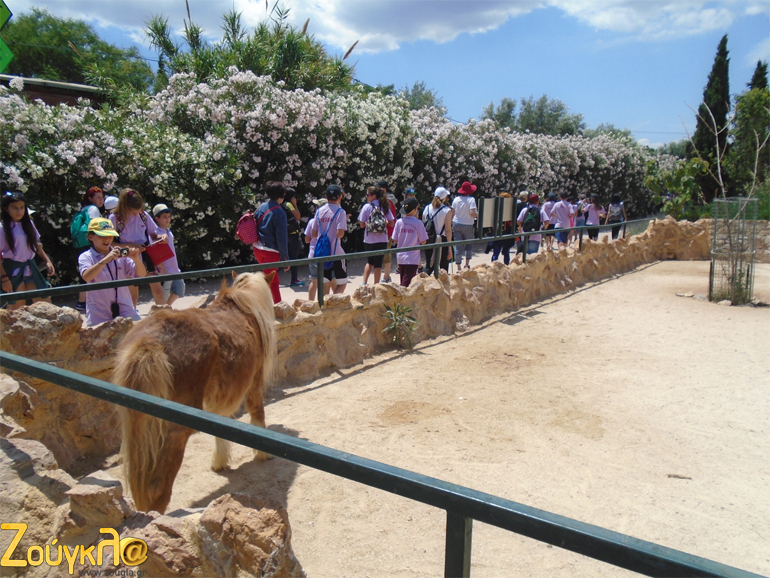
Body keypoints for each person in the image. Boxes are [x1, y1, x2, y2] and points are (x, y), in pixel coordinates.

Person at [78, 218, 146, 326]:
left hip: (125, 308)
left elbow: (141, 274)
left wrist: (136, 259)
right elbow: (87, 277)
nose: (107, 239)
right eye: (102, 236)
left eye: (110, 235)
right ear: (91, 237)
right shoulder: (86, 256)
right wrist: (105, 260)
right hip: (99, 312)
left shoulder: (120, 254)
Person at [109, 188, 168, 308]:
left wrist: (161, 237)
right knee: (133, 297)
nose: (136, 214)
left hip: (146, 255)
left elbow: (153, 234)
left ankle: (164, 317)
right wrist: (131, 246)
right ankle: (131, 321)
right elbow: (110, 243)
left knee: (158, 292)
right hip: (127, 257)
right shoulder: (114, 219)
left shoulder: (143, 215)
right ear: (125, 207)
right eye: (133, 212)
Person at [1, 192, 55, 310]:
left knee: (45, 305)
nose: (19, 211)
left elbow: (36, 245)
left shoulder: (29, 223)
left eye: (22, 207)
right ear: (6, 209)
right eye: (15, 208)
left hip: (31, 268)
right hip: (13, 271)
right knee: (16, 310)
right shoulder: (2, 227)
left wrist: (47, 261)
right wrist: (4, 279)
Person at [253, 181, 290, 304]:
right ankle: (276, 306)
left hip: (257, 249)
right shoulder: (280, 212)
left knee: (267, 277)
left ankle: (270, 304)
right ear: (282, 195)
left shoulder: (261, 207)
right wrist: (285, 258)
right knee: (272, 280)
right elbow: (281, 238)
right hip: (271, 251)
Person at [311, 185, 348, 295]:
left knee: (324, 285)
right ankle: (334, 304)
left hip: (321, 253)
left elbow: (313, 234)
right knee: (342, 282)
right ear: (340, 197)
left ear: (326, 197)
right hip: (336, 252)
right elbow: (339, 234)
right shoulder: (340, 212)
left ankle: (324, 309)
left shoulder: (319, 211)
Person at [74, 186, 105, 311]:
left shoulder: (84, 209)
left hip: (81, 243)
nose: (100, 200)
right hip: (90, 243)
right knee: (93, 271)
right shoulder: (93, 209)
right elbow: (95, 227)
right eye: (97, 197)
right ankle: (83, 302)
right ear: (90, 198)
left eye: (101, 197)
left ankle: (82, 302)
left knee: (86, 270)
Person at [358, 185, 395, 285]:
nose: (366, 196)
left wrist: (367, 224)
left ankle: (364, 283)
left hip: (369, 240)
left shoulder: (366, 207)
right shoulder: (385, 206)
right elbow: (392, 223)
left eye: (367, 195)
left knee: (369, 262)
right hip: (382, 239)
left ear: (373, 196)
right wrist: (385, 223)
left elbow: (361, 225)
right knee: (378, 264)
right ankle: (376, 285)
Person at [152, 203, 185, 306]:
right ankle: (162, 310)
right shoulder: (156, 233)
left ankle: (167, 307)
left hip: (174, 268)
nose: (167, 219)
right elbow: (156, 252)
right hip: (165, 270)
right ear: (157, 219)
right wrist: (163, 269)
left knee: (180, 289)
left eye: (169, 216)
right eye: (164, 217)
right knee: (164, 294)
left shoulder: (169, 232)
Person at [392, 197, 428, 287]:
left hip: (400, 257)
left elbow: (394, 240)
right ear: (416, 209)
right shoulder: (418, 223)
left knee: (403, 280)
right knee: (406, 285)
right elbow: (423, 241)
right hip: (412, 258)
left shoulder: (399, 222)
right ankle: (402, 301)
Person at [305, 198, 336, 300]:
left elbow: (307, 239)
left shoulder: (312, 221)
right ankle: (324, 306)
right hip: (327, 254)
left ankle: (310, 304)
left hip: (313, 254)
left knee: (314, 282)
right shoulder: (332, 221)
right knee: (327, 281)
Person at [422, 187, 454, 273]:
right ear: (444, 198)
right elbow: (448, 230)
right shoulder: (446, 210)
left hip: (429, 239)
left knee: (429, 265)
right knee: (443, 268)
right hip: (442, 240)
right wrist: (450, 248)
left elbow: (423, 224)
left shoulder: (427, 208)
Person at [451, 181, 478, 270]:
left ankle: (458, 267)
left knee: (458, 245)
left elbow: (452, 212)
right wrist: (478, 214)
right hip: (468, 224)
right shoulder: (471, 200)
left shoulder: (456, 199)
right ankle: (466, 265)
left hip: (456, 223)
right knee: (469, 245)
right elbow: (472, 213)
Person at [377, 180, 399, 283]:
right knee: (383, 255)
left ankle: (386, 277)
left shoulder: (388, 201)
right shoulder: (383, 200)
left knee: (386, 255)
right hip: (382, 232)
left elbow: (391, 219)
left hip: (386, 232)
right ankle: (385, 276)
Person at [283, 187, 304, 287]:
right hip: (292, 234)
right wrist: (295, 205)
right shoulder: (289, 205)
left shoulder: (282, 204)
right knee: (294, 256)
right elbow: (298, 216)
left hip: (286, 234)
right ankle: (294, 279)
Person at [490, 192, 515, 265]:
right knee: (505, 252)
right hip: (504, 232)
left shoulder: (495, 207)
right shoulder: (511, 208)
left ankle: (493, 267)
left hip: (499, 232)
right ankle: (504, 266)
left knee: (497, 252)